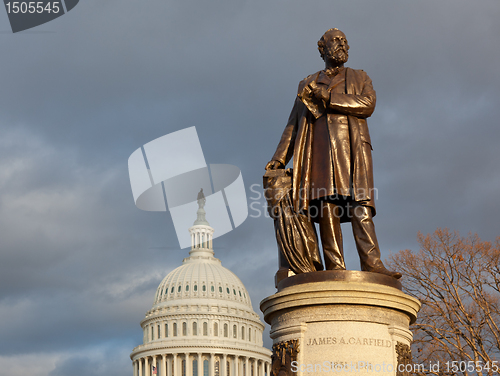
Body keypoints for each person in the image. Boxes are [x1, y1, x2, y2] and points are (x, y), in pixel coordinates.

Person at [265, 28, 401, 279]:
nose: (343, 46)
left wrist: (328, 97)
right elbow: (293, 123)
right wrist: (279, 157)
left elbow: (367, 104)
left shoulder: (360, 77)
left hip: (353, 150)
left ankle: (373, 264)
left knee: (361, 206)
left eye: (345, 42)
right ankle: (335, 267)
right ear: (322, 48)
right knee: (326, 208)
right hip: (318, 153)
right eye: (336, 41)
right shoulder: (307, 83)